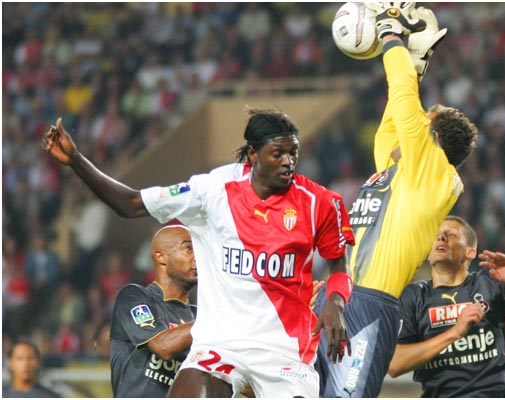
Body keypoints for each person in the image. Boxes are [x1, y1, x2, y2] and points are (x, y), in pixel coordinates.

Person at [41, 107, 355, 398]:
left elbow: (339, 267)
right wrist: (76, 161)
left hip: (285, 350)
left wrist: (336, 304)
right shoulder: (213, 190)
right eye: (278, 153)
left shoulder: (321, 203)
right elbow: (131, 204)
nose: (288, 161)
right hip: (221, 344)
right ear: (253, 154)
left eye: (293, 152)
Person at [313, 4, 478, 398]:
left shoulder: (434, 175)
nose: (412, 124)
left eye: (423, 122)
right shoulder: (396, 173)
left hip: (371, 306)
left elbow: (403, 97)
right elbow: (392, 120)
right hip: (338, 296)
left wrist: (390, 34)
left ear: (433, 140)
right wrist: (415, 64)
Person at [388, 215, 505, 397]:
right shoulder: (413, 296)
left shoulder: (490, 283)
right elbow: (395, 365)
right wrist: (455, 333)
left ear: (470, 252)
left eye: (451, 234)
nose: (441, 237)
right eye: (436, 235)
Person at [110, 224, 197, 397]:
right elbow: (162, 346)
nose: (198, 258)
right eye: (188, 249)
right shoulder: (134, 297)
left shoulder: (198, 316)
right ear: (161, 257)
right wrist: (215, 319)